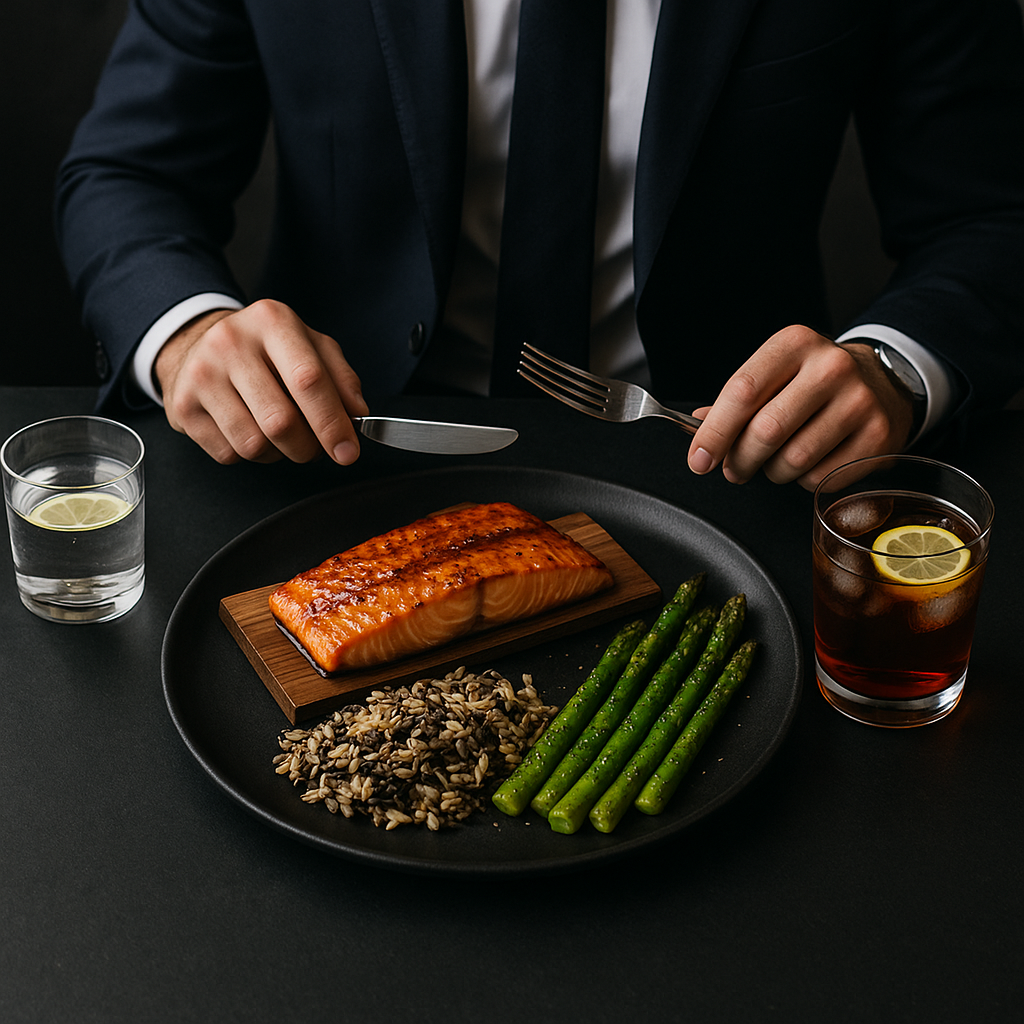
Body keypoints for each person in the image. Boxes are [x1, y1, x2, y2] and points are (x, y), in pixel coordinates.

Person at [56, 0, 1024, 489]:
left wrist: (893, 368)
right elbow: (128, 173)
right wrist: (189, 331)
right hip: (339, 456)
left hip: (728, 468)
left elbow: (991, 217)